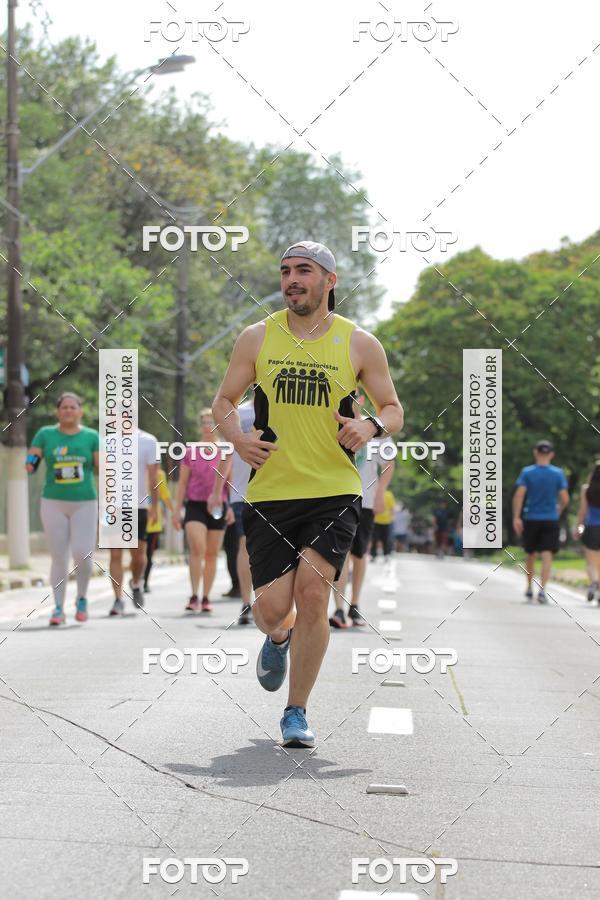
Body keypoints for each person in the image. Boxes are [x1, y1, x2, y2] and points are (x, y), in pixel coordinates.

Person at [213, 240, 403, 747]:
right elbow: (224, 400)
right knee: (271, 609)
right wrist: (238, 438)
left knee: (314, 593)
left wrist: (370, 427)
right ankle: (278, 637)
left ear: (330, 281)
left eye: (304, 271)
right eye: (286, 271)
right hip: (272, 491)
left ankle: (296, 712)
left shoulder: (359, 343)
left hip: (334, 490)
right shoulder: (258, 337)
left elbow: (392, 409)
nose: (292, 279)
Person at [26, 392, 100, 626]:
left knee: (82, 553)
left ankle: (81, 597)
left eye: (72, 407)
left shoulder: (91, 437)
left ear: (81, 411)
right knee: (58, 556)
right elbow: (32, 461)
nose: (68, 411)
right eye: (64, 407)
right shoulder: (45, 434)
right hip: (53, 502)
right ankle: (58, 607)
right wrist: (31, 463)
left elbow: (102, 468)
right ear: (58, 412)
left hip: (85, 503)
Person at [329, 409, 395, 628]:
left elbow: (388, 464)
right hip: (338, 499)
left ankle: (354, 605)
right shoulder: (330, 423)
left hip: (365, 500)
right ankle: (338, 608)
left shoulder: (373, 428)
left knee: (359, 554)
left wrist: (380, 494)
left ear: (361, 400)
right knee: (340, 554)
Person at [172, 409, 234, 613]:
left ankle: (206, 597)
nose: (208, 427)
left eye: (212, 422)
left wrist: (232, 506)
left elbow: (230, 483)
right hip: (195, 505)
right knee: (197, 548)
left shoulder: (225, 451)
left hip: (218, 506)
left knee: (211, 554)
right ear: (200, 426)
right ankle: (194, 594)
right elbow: (182, 484)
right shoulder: (191, 451)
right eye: (204, 423)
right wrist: (176, 509)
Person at [109, 427, 159, 615]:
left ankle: (136, 582)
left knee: (138, 555)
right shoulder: (109, 442)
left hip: (138, 506)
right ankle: (118, 599)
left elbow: (154, 476)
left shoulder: (148, 440)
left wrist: (154, 506)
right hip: (114, 506)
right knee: (115, 554)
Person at [513, 439, 569, 603]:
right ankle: (542, 590)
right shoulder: (558, 473)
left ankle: (529, 587)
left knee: (530, 554)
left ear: (535, 453)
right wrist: (558, 509)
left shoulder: (527, 472)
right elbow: (565, 498)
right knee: (547, 554)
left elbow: (519, 495)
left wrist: (517, 517)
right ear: (551, 454)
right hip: (550, 518)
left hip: (531, 518)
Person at [228, 398, 256, 626]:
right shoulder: (238, 413)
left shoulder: (285, 407)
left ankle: (272, 604)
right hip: (242, 492)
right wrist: (219, 493)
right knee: (245, 545)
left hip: (278, 491)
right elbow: (228, 454)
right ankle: (246, 602)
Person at [573, 461, 600, 603]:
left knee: (591, 562)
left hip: (591, 527)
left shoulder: (586, 489)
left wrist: (578, 527)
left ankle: (594, 582)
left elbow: (582, 511)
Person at [143, 466, 173, 593]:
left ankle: (144, 581)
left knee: (149, 553)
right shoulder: (132, 470)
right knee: (139, 554)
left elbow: (165, 495)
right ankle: (137, 577)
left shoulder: (160, 474)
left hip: (154, 522)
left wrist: (174, 513)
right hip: (136, 518)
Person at [371, 488, 395, 562]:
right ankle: (373, 555)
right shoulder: (375, 493)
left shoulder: (389, 494)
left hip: (386, 521)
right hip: (376, 520)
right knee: (374, 539)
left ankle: (386, 554)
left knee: (386, 539)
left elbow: (391, 507)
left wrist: (392, 517)